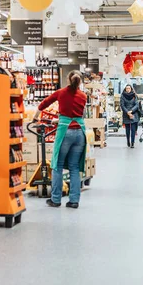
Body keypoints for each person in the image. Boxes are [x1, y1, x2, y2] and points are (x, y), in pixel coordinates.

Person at [34, 70, 87, 209]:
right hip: (80, 131)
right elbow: (79, 114)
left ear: (68, 80)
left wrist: (35, 116)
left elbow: (44, 103)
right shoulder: (83, 96)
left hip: (65, 130)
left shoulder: (61, 93)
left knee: (57, 165)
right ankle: (74, 200)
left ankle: (56, 199)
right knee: (74, 167)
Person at [120, 84, 140, 148]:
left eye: (129, 88)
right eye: (127, 88)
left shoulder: (134, 95)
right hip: (126, 114)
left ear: (131, 89)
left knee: (133, 129)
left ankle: (132, 142)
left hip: (133, 113)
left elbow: (136, 105)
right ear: (125, 89)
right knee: (127, 129)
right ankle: (128, 140)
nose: (128, 89)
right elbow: (122, 105)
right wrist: (127, 112)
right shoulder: (123, 96)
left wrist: (131, 111)